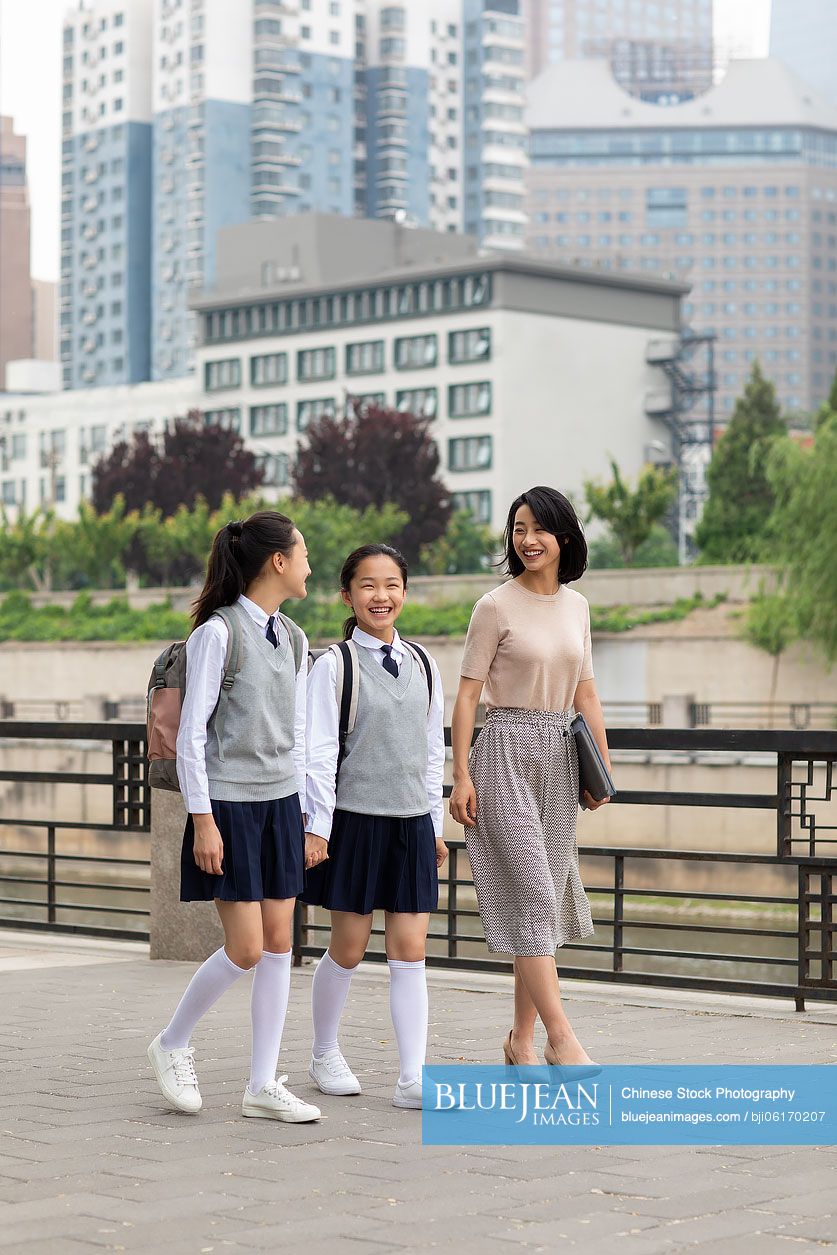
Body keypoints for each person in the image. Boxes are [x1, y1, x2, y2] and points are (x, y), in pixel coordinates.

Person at [147, 510, 321, 1123]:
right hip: (227, 806)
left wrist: (306, 814)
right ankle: (171, 1043)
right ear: (278, 562)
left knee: (279, 945)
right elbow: (192, 736)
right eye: (303, 553)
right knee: (246, 948)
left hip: (278, 808)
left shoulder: (295, 638)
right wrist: (203, 821)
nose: (309, 565)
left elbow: (297, 735)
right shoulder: (218, 635)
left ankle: (263, 1084)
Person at [449, 486, 611, 1069]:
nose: (527, 540)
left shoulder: (578, 606)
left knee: (533, 905)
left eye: (539, 529)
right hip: (504, 753)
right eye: (518, 528)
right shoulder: (494, 606)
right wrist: (460, 772)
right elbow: (467, 696)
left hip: (561, 756)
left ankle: (520, 1037)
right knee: (536, 898)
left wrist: (603, 769)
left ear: (564, 536)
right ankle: (562, 1038)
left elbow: (585, 690)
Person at [302, 543, 447, 1109]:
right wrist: (318, 827)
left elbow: (432, 750)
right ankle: (323, 1052)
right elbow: (314, 754)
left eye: (391, 585)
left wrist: (434, 823)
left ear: (404, 593)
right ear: (347, 595)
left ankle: (412, 1077)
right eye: (368, 585)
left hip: (412, 824)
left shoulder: (424, 663)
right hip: (354, 824)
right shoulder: (333, 666)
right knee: (350, 947)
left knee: (411, 950)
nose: (380, 596)